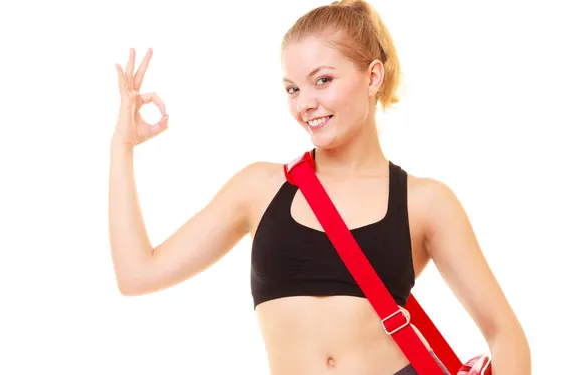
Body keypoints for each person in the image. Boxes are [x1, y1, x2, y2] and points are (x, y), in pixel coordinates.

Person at [108, 1, 531, 374]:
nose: (304, 103)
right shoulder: (259, 188)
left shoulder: (426, 202)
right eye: (293, 88)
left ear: (373, 76)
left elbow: (504, 333)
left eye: (322, 80)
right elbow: (137, 274)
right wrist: (122, 146)